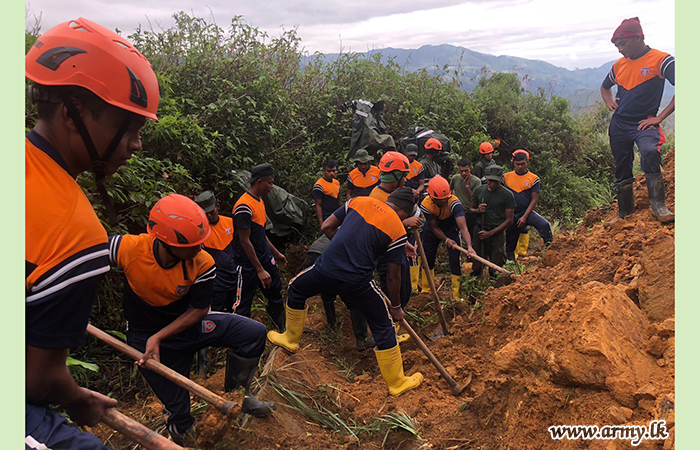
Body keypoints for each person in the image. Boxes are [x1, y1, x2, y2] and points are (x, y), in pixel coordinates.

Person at [25, 18, 159, 449]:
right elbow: (37, 379)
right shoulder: (75, 233)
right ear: (71, 114)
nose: (136, 144)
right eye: (127, 128)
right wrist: (78, 399)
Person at [110, 194, 275, 445]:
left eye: (201, 242)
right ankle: (182, 433)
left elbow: (199, 310)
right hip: (145, 340)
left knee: (252, 333)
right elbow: (84, 255)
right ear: (165, 241)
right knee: (180, 415)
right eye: (192, 245)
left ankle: (238, 395)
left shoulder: (202, 262)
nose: (200, 248)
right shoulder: (129, 249)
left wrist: (160, 336)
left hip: (187, 325)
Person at [268, 189, 424, 396]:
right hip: (357, 282)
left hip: (326, 269)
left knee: (296, 288)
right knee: (384, 324)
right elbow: (393, 277)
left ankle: (290, 339)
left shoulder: (358, 201)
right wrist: (396, 307)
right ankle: (397, 383)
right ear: (404, 211)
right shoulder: (397, 229)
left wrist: (346, 248)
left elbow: (326, 226)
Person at [600, 17, 675, 223]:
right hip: (619, 124)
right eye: (617, 45)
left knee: (650, 152)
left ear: (639, 38)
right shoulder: (619, 65)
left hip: (645, 122)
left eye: (623, 44)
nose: (620, 49)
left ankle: (658, 206)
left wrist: (659, 117)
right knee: (622, 164)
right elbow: (605, 87)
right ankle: (624, 212)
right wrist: (609, 102)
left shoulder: (661, 60)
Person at [232, 163, 287, 330]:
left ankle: (280, 329)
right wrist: (259, 270)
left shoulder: (259, 202)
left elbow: (261, 234)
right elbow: (245, 241)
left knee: (275, 292)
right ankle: (240, 336)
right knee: (243, 303)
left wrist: (276, 253)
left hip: (264, 257)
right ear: (259, 182)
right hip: (248, 264)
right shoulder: (243, 207)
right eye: (270, 183)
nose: (272, 186)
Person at [194, 190, 236, 374]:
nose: (209, 216)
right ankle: (202, 366)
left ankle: (228, 353)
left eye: (211, 211)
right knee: (208, 320)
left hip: (233, 278)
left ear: (217, 207)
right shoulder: (199, 232)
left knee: (232, 314)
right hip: (214, 282)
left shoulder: (230, 223)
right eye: (205, 214)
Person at [419, 176, 476, 300]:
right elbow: (434, 228)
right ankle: (427, 290)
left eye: (445, 198)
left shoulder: (454, 203)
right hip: (432, 230)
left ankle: (456, 295)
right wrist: (446, 240)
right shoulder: (426, 204)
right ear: (432, 197)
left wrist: (469, 247)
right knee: (428, 258)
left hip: (451, 228)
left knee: (455, 259)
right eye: (440, 200)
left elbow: (463, 227)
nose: (444, 201)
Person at [503, 150, 553, 260]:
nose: (520, 167)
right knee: (510, 238)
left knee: (544, 225)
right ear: (513, 163)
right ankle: (510, 261)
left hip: (526, 212)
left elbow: (534, 199)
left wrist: (525, 217)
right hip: (511, 213)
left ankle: (551, 250)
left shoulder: (533, 178)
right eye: (517, 164)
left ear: (527, 162)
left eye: (523, 164)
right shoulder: (506, 177)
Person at [470, 165, 515, 277]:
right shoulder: (479, 190)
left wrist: (490, 233)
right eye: (490, 181)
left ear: (501, 179)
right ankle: (476, 280)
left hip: (497, 232)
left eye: (496, 181)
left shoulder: (507, 195)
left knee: (497, 262)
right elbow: (471, 209)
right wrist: (478, 210)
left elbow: (509, 220)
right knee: (477, 261)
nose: (493, 184)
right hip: (480, 230)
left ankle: (494, 281)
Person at [450, 157, 481, 233]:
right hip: (457, 211)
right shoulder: (455, 178)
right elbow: (450, 190)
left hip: (470, 213)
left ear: (470, 169)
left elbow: (474, 200)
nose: (464, 173)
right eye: (461, 171)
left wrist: (467, 186)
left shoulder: (477, 181)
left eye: (466, 170)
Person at [313, 159, 341, 228]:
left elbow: (339, 200)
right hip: (327, 217)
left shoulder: (336, 183)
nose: (332, 173)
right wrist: (321, 224)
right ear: (324, 171)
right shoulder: (319, 186)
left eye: (334, 171)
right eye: (329, 171)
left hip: (337, 215)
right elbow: (318, 206)